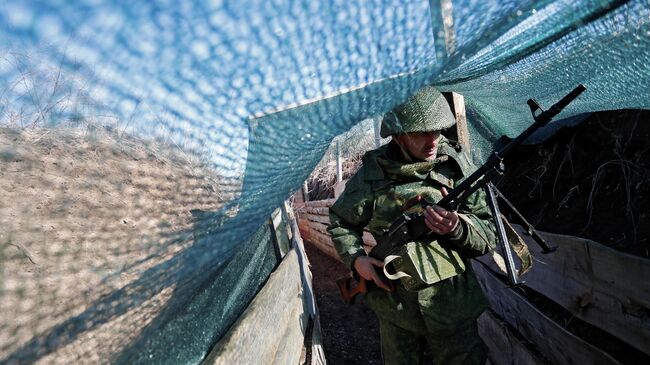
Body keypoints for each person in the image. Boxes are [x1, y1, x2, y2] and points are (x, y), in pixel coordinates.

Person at [327, 85, 497, 365]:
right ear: (398, 135)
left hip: (452, 306)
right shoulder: (373, 174)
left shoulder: (455, 168)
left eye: (438, 130)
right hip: (396, 307)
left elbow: (488, 234)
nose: (432, 140)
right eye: (420, 132)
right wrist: (357, 261)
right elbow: (340, 221)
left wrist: (457, 228)